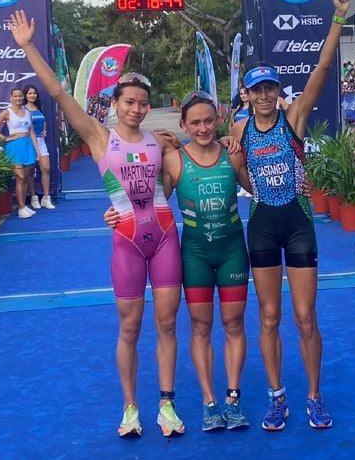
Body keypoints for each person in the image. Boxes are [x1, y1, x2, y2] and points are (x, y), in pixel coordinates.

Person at [10, 9, 187, 438]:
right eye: (129, 102)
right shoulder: (97, 137)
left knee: (166, 325)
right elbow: (55, 91)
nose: (137, 109)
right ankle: (130, 407)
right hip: (126, 242)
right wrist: (29, 46)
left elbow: (183, 171)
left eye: (143, 103)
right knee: (129, 326)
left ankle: (166, 404)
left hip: (165, 237)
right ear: (115, 104)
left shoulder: (159, 140)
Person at [228, 0, 350, 432]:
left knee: (304, 316)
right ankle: (277, 397)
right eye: (256, 90)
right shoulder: (239, 128)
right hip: (261, 225)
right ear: (247, 94)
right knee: (269, 316)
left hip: (298, 225)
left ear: (279, 91)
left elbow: (321, 66)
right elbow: (244, 184)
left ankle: (314, 396)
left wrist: (337, 18)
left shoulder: (294, 117)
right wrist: (238, 167)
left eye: (270, 89)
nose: (264, 96)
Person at [106, 91, 253, 432]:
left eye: (209, 120)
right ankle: (208, 402)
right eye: (195, 122)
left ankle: (232, 398)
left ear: (219, 119)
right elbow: (148, 201)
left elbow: (256, 188)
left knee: (234, 324)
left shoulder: (232, 154)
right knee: (200, 326)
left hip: (232, 250)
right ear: (184, 125)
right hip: (195, 253)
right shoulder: (172, 158)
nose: (203, 128)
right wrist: (115, 212)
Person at [0, 88, 40, 219]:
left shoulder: (27, 112)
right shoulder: (7, 112)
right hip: (14, 147)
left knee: (26, 177)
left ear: (23, 97)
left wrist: (37, 149)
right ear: (11, 98)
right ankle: (21, 208)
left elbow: (32, 132)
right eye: (15, 96)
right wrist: (4, 138)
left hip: (27, 145)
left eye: (20, 96)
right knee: (20, 177)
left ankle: (23, 206)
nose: (18, 98)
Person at [23, 85, 55, 210]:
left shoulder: (38, 108)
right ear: (26, 95)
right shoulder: (23, 109)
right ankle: (33, 197)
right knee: (30, 171)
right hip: (28, 142)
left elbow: (43, 122)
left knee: (46, 168)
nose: (32, 95)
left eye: (34, 93)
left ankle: (46, 198)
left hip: (41, 141)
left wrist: (44, 130)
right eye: (30, 93)